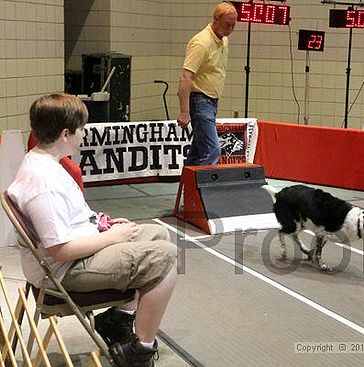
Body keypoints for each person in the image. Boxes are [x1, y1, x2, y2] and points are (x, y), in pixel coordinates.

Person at [7, 93, 177, 367]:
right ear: (65, 134)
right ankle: (139, 352)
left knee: (158, 235)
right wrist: (111, 237)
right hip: (63, 272)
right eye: (81, 130)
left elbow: (70, 220)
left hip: (71, 256)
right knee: (166, 257)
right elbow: (61, 250)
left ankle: (117, 319)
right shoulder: (44, 183)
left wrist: (102, 225)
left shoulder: (43, 161)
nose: (84, 136)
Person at [177, 1, 238, 165]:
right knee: (212, 151)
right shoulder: (201, 43)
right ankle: (202, 190)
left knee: (197, 154)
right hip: (200, 101)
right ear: (215, 19)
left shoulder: (223, 39)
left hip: (211, 102)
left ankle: (188, 188)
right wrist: (184, 112)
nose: (231, 29)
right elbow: (185, 76)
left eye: (234, 25)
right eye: (227, 24)